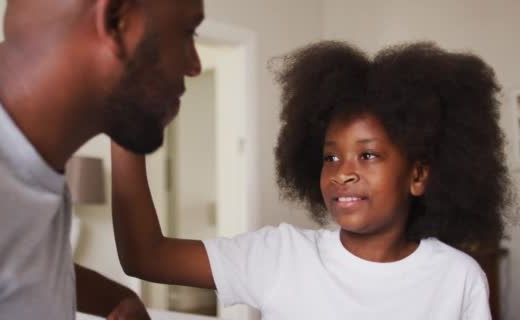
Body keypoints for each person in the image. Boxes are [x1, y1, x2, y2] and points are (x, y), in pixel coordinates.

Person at [109, 41, 514, 319]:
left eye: (368, 154)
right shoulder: (280, 256)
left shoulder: (458, 278)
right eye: (330, 156)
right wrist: (126, 133)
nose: (343, 171)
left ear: (419, 175)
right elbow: (145, 255)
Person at [0, 0, 204, 319]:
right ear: (116, 21)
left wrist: (116, 297)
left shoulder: (20, 162)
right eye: (188, 32)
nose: (194, 65)